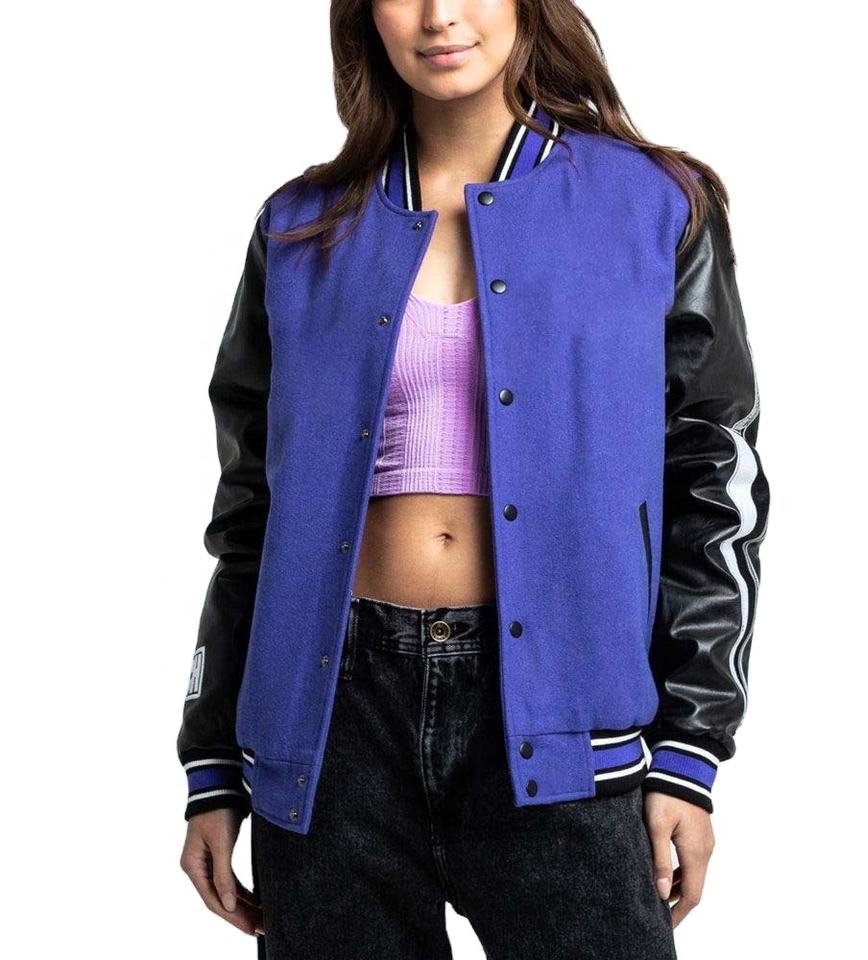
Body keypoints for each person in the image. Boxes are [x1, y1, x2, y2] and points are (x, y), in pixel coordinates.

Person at [176, 1, 770, 957]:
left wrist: (691, 748)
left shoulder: (656, 204)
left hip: (565, 719)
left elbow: (715, 483)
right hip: (331, 728)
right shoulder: (299, 226)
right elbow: (249, 507)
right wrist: (211, 760)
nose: (439, 15)